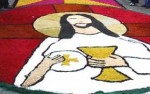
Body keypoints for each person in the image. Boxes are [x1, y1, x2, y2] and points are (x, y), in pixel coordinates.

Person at [14, 13, 150, 94]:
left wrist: (123, 62)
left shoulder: (124, 40)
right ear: (65, 23)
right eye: (72, 19)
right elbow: (25, 82)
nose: (79, 20)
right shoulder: (54, 42)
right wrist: (47, 64)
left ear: (93, 20)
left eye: (83, 17)